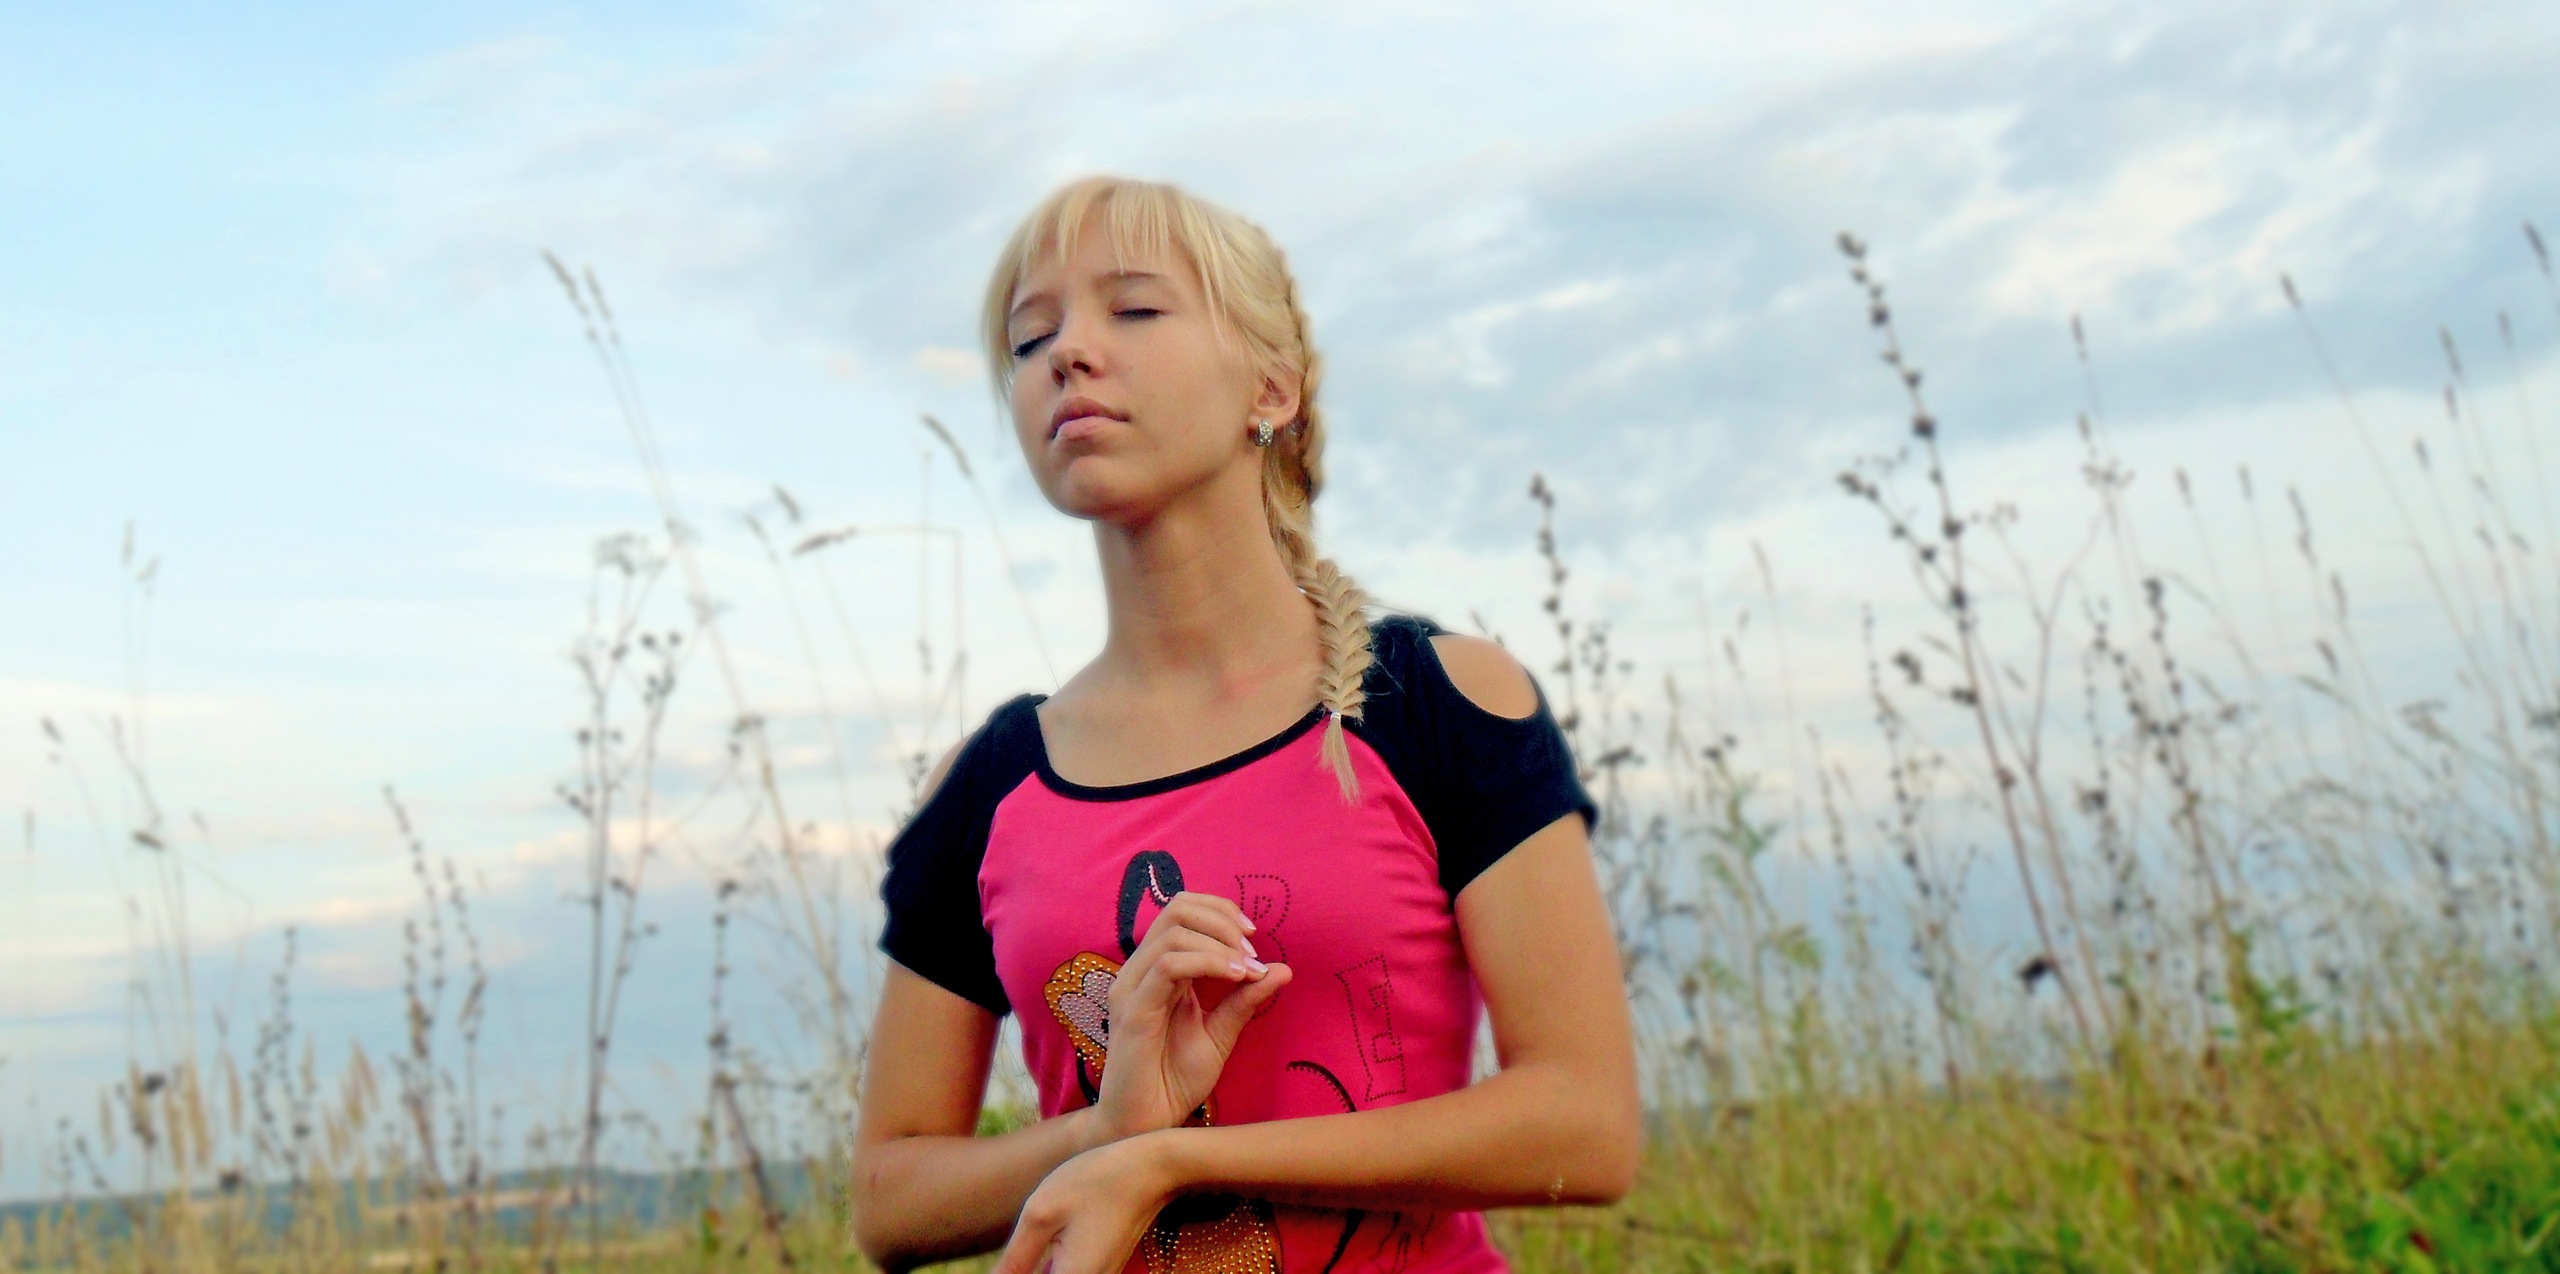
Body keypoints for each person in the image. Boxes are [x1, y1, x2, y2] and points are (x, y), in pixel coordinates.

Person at [849, 175, 1640, 1274]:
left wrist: (1175, 1161)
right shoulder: (989, 787)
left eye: (1134, 308)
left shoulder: (1441, 702)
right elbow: (889, 1200)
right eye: (1030, 339)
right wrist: (1106, 1131)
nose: (1068, 353)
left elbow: (1585, 1129)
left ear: (1271, 385)